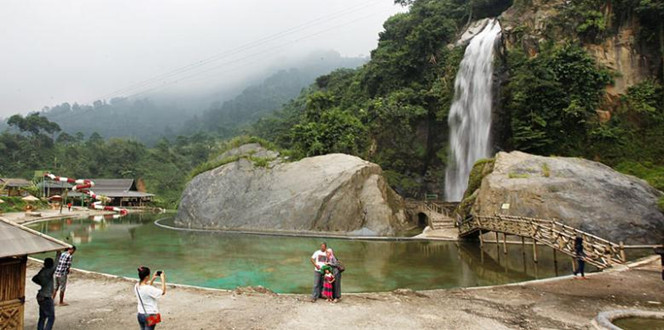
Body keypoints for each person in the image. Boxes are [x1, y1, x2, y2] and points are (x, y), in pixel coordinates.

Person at [32, 258, 56, 330]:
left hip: (40, 296)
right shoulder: (49, 271)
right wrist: (59, 253)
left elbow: (34, 279)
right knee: (51, 317)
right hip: (46, 297)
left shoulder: (42, 271)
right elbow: (57, 264)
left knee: (42, 317)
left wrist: (42, 283)